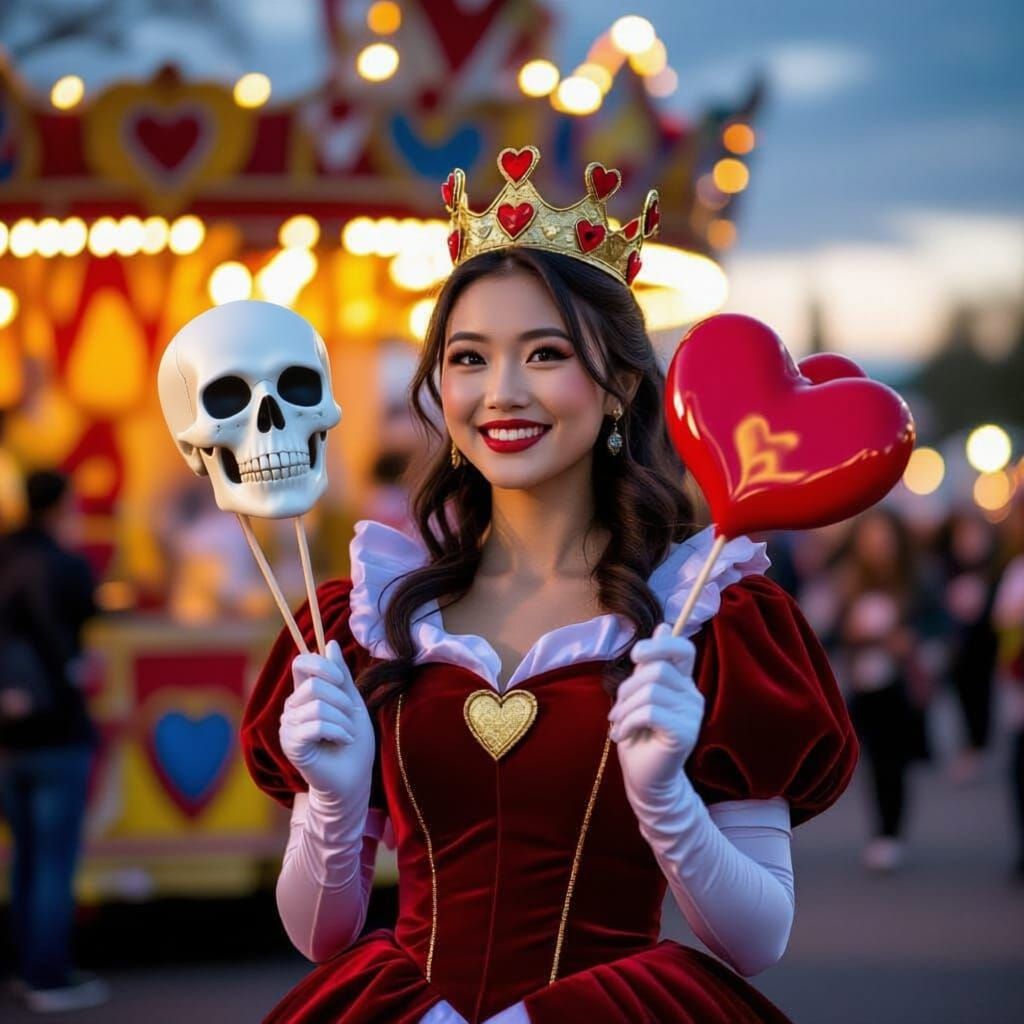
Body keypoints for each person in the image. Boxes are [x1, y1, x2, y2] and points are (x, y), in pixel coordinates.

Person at [241, 148, 858, 1023]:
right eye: (467, 358)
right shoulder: (373, 619)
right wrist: (334, 804)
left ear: (618, 389)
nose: (501, 393)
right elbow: (319, 934)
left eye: (544, 353)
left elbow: (756, 942)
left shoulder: (708, 615)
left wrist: (666, 799)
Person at [0, 470, 109, 1013]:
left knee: (23, 858)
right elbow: (88, 622)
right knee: (53, 861)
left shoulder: (6, 556)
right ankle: (48, 976)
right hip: (58, 729)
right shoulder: (65, 564)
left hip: (8, 736)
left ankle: (24, 969)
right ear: (63, 504)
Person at [823, 508, 930, 872]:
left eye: (884, 537)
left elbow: (937, 626)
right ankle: (881, 832)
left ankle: (890, 834)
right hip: (859, 684)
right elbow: (827, 634)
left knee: (892, 760)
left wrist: (911, 642)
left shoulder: (915, 581)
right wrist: (848, 635)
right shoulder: (847, 581)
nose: (877, 545)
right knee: (869, 762)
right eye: (870, 537)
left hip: (898, 687)